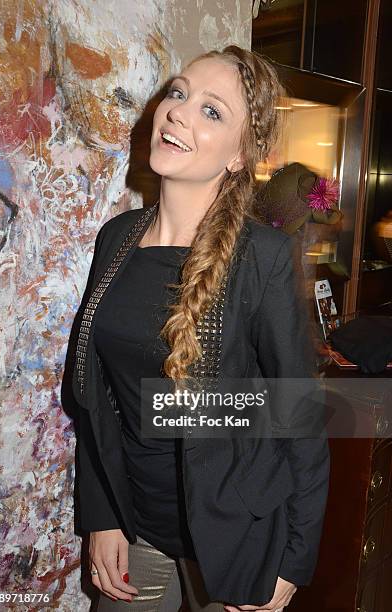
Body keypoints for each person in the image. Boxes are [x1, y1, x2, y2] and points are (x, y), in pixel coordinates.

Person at [69, 45, 330, 612]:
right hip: (135, 529)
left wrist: (294, 560)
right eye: (179, 93)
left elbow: (299, 415)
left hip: (240, 539)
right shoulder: (115, 239)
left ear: (239, 155)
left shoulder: (261, 255)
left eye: (212, 111)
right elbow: (96, 398)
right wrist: (102, 514)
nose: (180, 112)